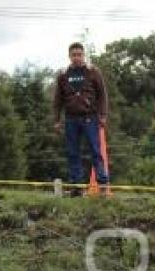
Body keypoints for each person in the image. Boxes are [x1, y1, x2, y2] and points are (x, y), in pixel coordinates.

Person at [53, 42, 110, 195]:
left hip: (90, 118)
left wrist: (103, 115)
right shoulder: (63, 75)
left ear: (83, 55)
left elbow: (102, 95)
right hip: (70, 119)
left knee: (95, 151)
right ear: (69, 56)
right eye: (74, 55)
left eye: (79, 54)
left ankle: (103, 184)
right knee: (73, 153)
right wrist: (57, 120)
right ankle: (76, 187)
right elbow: (58, 100)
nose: (77, 57)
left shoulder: (93, 71)